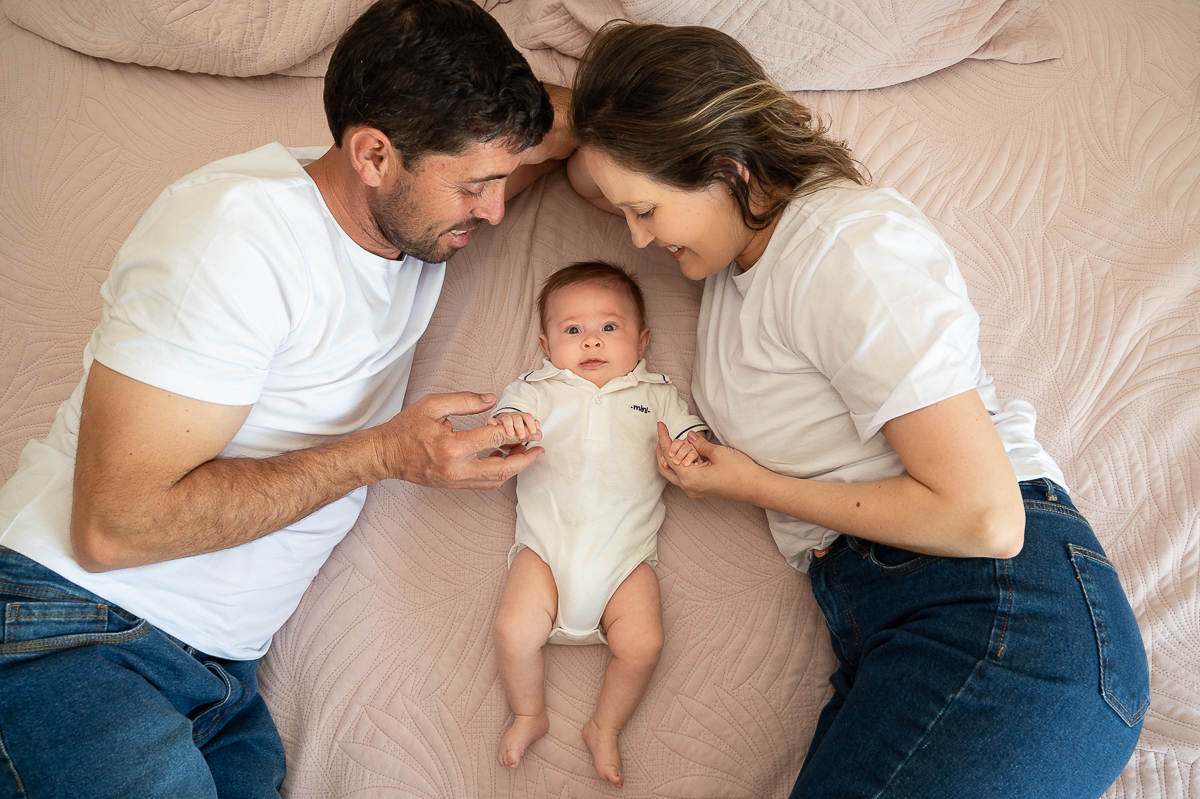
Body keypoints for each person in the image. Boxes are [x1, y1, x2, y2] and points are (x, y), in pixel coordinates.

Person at [0, 0, 574, 795]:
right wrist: (387, 453)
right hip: (80, 627)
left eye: (504, 179)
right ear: (373, 153)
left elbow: (580, 126)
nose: (496, 208)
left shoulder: (409, 209)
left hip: (219, 677)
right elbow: (112, 527)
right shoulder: (236, 236)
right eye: (475, 185)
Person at [567, 22, 1150, 798]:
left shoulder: (845, 247)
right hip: (915, 624)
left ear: (727, 167)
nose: (636, 236)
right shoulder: (747, 258)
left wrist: (753, 485)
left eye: (645, 210)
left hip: (1002, 620)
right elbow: (586, 174)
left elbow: (984, 517)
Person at [487, 262, 706, 787]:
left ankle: (604, 726)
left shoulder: (656, 394)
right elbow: (503, 429)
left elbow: (694, 441)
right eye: (572, 330)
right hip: (545, 550)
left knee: (645, 643)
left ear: (642, 339)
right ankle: (528, 713)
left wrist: (691, 454)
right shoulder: (537, 388)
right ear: (546, 344)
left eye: (609, 327)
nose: (591, 341)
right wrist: (508, 425)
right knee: (512, 631)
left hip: (624, 560)